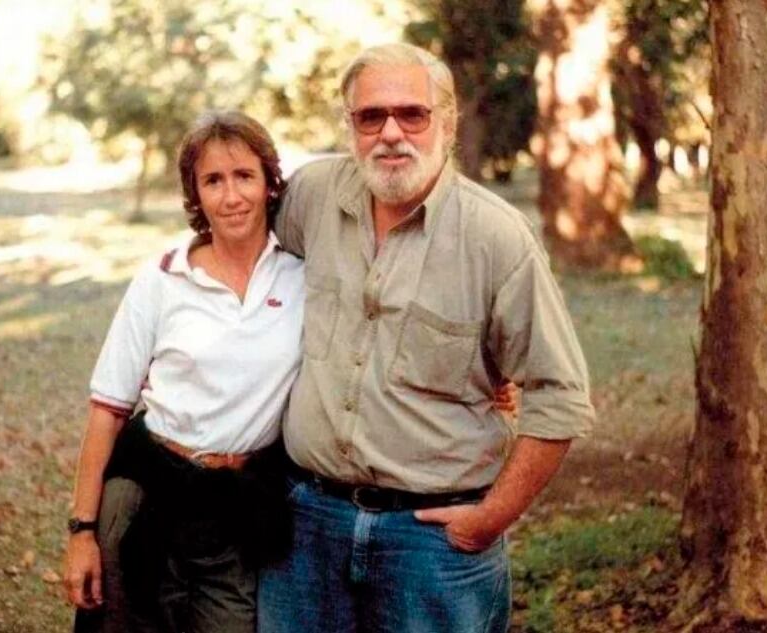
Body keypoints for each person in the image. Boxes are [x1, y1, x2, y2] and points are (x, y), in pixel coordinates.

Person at [257, 43, 596, 633]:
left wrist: (492, 516)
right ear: (351, 125)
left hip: (432, 547)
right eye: (371, 117)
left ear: (448, 121)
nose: (391, 132)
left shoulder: (497, 238)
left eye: (412, 114)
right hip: (305, 528)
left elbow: (560, 394)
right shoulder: (311, 197)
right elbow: (234, 246)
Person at [63, 110, 305, 633]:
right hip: (146, 496)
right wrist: (81, 531)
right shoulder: (162, 278)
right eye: (212, 180)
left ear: (269, 182)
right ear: (195, 194)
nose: (231, 195)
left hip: (236, 510)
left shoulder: (302, 278)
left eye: (244, 175)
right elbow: (107, 408)